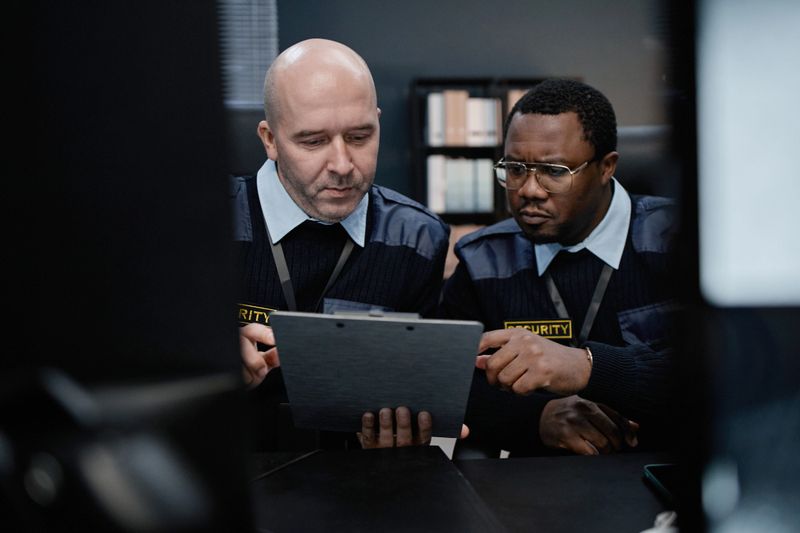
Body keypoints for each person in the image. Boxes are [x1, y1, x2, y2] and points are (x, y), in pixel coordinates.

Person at [439, 78, 678, 457]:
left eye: (554, 171)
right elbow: (449, 382)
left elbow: (726, 375)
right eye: (515, 169)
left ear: (606, 167)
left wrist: (588, 367)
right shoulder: (483, 262)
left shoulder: (678, 243)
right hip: (534, 496)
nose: (529, 189)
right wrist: (537, 418)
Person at [232, 38, 450, 451]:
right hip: (227, 473)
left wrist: (408, 423)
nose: (343, 165)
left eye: (360, 136)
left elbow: (420, 383)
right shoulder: (202, 225)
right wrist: (198, 353)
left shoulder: (418, 239)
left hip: (357, 479)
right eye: (313, 141)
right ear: (270, 139)